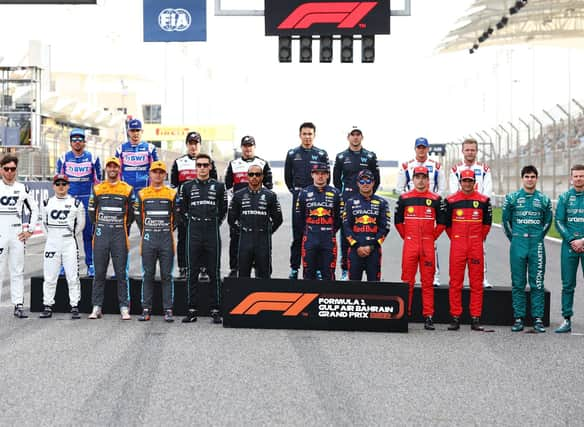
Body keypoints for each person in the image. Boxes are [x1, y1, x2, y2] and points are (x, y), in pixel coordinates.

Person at [394, 166, 445, 330]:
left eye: (424, 177)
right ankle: (405, 314)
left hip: (427, 244)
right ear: (413, 179)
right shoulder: (404, 198)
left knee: (428, 282)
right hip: (410, 243)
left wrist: (431, 237)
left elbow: (442, 223)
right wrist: (408, 237)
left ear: (428, 179)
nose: (421, 180)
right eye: (418, 177)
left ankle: (428, 316)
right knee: (407, 280)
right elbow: (398, 222)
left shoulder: (436, 199)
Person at [502, 165, 552, 333]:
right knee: (518, 283)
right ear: (522, 178)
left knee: (537, 283)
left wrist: (538, 237)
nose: (530, 179)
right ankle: (518, 318)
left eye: (533, 176)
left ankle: (538, 318)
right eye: (527, 176)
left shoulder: (544, 200)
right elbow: (506, 222)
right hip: (518, 244)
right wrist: (514, 239)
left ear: (536, 179)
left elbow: (547, 222)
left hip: (536, 245)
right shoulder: (512, 198)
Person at [180, 153, 227, 324]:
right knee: (192, 272)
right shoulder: (186, 187)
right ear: (195, 167)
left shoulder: (219, 187)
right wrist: (192, 224)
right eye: (199, 165)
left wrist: (213, 222)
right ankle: (192, 310)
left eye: (205, 165)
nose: (201, 168)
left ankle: (215, 309)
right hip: (194, 231)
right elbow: (182, 210)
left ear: (210, 167)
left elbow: (223, 210)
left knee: (214, 271)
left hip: (211, 231)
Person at [87, 157, 134, 320]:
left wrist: (121, 225)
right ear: (106, 169)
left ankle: (124, 307)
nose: (112, 169)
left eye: (115, 167)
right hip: (101, 235)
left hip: (119, 235)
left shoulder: (127, 189)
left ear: (119, 169)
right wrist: (101, 224)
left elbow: (132, 214)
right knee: (99, 273)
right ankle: (96, 306)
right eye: (110, 167)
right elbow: (92, 212)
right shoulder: (98, 188)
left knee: (121, 273)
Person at [445, 169, 492, 331]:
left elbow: (487, 225)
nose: (467, 183)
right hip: (457, 245)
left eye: (470, 181)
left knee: (476, 283)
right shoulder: (450, 201)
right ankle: (455, 317)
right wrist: (457, 239)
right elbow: (448, 226)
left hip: (475, 245)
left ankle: (475, 318)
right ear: (460, 182)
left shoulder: (484, 200)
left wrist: (477, 239)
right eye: (464, 180)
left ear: (474, 182)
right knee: (455, 283)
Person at [396, 137, 446, 287]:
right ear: (415, 148)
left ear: (428, 149)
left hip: (431, 206)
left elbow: (442, 188)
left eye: (424, 147)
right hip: (412, 205)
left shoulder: (436, 166)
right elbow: (399, 188)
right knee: (407, 275)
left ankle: (435, 275)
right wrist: (412, 196)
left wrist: (432, 199)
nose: (421, 150)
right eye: (419, 147)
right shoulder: (406, 166)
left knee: (432, 246)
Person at [333, 126, 380, 280]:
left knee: (367, 229)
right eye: (352, 135)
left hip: (366, 199)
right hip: (348, 198)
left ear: (362, 137)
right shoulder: (341, 157)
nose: (355, 137)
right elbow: (336, 180)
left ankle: (371, 266)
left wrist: (368, 193)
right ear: (348, 137)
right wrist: (344, 195)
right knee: (347, 232)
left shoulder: (370, 156)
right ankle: (345, 269)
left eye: (358, 134)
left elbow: (376, 178)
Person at [284, 122, 329, 279]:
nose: (307, 137)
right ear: (300, 135)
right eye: (305, 134)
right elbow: (287, 178)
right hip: (299, 197)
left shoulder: (321, 154)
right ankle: (294, 268)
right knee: (298, 234)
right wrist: (296, 192)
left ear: (314, 135)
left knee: (316, 234)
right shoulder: (292, 154)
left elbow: (326, 177)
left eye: (310, 134)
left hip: (317, 199)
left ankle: (316, 269)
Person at [134, 161, 178, 323]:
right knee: (148, 275)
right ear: (150, 174)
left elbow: (176, 217)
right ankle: (146, 309)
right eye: (155, 172)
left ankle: (168, 309)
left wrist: (164, 228)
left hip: (166, 239)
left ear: (165, 175)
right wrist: (147, 230)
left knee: (167, 275)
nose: (158, 175)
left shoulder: (172, 194)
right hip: (149, 240)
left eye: (161, 172)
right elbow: (138, 217)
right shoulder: (142, 193)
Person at [170, 131, 217, 279]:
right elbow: (173, 187)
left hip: (203, 207)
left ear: (200, 145)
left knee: (203, 240)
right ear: (187, 145)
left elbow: (214, 186)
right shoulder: (178, 162)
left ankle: (203, 268)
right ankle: (183, 268)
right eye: (190, 143)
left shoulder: (209, 162)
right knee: (183, 239)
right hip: (185, 208)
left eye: (196, 143)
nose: (193, 146)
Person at [448, 138, 494, 288]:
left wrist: (479, 205)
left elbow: (487, 193)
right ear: (463, 151)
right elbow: (453, 192)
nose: (470, 152)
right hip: (461, 212)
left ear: (477, 151)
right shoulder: (455, 170)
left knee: (481, 247)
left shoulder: (485, 169)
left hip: (478, 212)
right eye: (467, 149)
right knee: (458, 254)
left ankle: (483, 278)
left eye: (472, 150)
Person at [225, 135, 273, 277]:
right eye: (245, 146)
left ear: (254, 147)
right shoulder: (233, 164)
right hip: (240, 207)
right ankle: (234, 267)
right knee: (235, 238)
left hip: (258, 208)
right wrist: (232, 206)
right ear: (242, 148)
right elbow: (228, 188)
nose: (247, 149)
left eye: (250, 146)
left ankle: (261, 269)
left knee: (261, 240)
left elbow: (269, 187)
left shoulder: (263, 163)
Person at [55, 128, 101, 276]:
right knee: (67, 234)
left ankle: (91, 264)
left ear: (84, 142)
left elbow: (98, 182)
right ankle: (65, 265)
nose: (77, 142)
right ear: (70, 142)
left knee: (89, 234)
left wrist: (97, 202)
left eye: (80, 139)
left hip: (87, 200)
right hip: (70, 201)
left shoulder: (93, 158)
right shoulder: (63, 158)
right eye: (74, 139)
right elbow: (59, 182)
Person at [39, 174, 86, 320]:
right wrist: (52, 237)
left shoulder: (76, 203)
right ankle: (47, 305)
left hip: (69, 243)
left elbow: (81, 224)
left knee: (72, 276)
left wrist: (70, 235)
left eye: (64, 184)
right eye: (58, 183)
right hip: (52, 243)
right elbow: (43, 224)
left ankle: (74, 305)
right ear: (53, 186)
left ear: (68, 185)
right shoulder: (46, 203)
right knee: (50, 277)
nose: (61, 186)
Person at [0, 154, 39, 318]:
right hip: (0, 233)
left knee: (17, 271)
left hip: (17, 234)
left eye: (13, 169)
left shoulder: (23, 188)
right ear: (1, 170)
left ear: (16, 170)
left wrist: (30, 230)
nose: (9, 172)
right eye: (6, 169)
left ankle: (18, 305)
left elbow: (35, 209)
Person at [228, 164, 282, 278]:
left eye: (257, 174)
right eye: (251, 174)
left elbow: (278, 219)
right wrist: (242, 231)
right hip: (245, 240)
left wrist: (268, 231)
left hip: (263, 240)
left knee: (264, 276)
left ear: (262, 177)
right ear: (247, 176)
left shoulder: (270, 196)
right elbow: (231, 219)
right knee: (243, 276)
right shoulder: (238, 195)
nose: (254, 177)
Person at [295, 163, 341, 280]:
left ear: (327, 175)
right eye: (317, 173)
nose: (320, 176)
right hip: (310, 238)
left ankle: (328, 297)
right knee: (308, 273)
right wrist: (307, 231)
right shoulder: (304, 193)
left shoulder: (336, 193)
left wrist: (330, 230)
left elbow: (340, 218)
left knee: (329, 274)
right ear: (312, 175)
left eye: (323, 173)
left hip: (328, 239)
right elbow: (298, 218)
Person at [342, 169, 390, 282]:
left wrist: (371, 247)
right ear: (358, 183)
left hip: (373, 250)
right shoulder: (350, 202)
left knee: (375, 288)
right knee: (353, 287)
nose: (365, 184)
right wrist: (356, 246)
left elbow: (385, 227)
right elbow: (346, 226)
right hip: (355, 250)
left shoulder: (382, 203)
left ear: (373, 183)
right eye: (362, 181)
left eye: (368, 181)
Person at [554, 164, 584, 333]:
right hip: (569, 246)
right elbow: (559, 221)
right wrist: (572, 240)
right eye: (576, 176)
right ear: (571, 178)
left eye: (582, 176)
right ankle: (566, 319)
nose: (579, 178)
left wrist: (583, 240)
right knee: (567, 284)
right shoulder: (565, 197)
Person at [115, 118, 159, 199]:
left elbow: (157, 168)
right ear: (128, 132)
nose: (135, 133)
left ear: (142, 131)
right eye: (132, 130)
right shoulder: (120, 149)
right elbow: (115, 170)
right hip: (126, 188)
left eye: (137, 130)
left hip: (145, 187)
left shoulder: (150, 148)